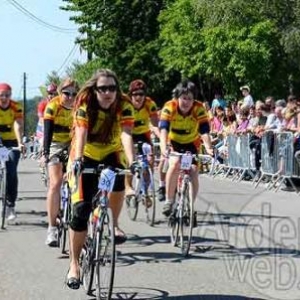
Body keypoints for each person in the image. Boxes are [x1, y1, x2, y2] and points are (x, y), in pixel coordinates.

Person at [66, 69, 136, 289]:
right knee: (80, 212)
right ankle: (74, 265)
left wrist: (132, 162)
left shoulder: (124, 105)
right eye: (103, 88)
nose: (108, 92)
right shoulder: (85, 103)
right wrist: (77, 160)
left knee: (119, 178)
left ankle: (112, 223)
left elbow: (126, 134)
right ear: (95, 90)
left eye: (112, 88)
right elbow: (81, 134)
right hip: (84, 154)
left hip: (110, 154)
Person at [159, 80, 213, 217]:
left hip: (192, 143)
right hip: (174, 141)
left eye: (190, 98)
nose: (186, 102)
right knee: (175, 164)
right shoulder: (169, 106)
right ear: (177, 97)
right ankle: (169, 200)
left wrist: (208, 147)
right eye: (184, 98)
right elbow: (163, 129)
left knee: (194, 171)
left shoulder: (199, 108)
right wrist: (163, 147)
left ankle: (190, 206)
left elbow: (204, 131)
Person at [42, 78, 78, 247]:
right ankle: (52, 228)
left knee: (78, 180)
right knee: (55, 183)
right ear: (59, 93)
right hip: (55, 144)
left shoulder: (79, 107)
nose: (70, 97)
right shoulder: (53, 106)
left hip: (73, 144)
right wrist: (46, 153)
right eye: (66, 93)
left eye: (73, 94)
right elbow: (48, 132)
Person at [125, 79, 159, 199]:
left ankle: (146, 191)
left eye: (141, 94)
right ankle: (128, 186)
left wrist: (165, 140)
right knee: (130, 160)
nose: (138, 97)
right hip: (128, 134)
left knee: (150, 159)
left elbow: (155, 125)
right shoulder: (126, 104)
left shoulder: (150, 104)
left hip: (144, 134)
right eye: (135, 94)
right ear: (131, 95)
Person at [0, 83, 24, 221]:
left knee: (11, 171)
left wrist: (20, 142)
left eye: (7, 95)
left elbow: (18, 124)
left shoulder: (16, 106)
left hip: (12, 142)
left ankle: (10, 205)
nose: (4, 98)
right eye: (1, 95)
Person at [36, 83, 58, 150]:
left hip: (57, 129)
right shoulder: (43, 104)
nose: (53, 96)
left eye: (55, 94)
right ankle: (43, 154)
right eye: (50, 93)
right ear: (47, 94)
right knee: (44, 142)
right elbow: (41, 119)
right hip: (43, 128)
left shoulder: (60, 104)